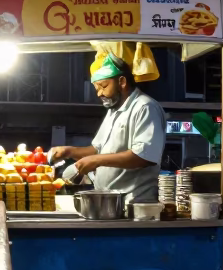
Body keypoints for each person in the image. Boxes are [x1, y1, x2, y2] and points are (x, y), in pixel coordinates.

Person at [50, 54, 166, 204]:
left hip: (133, 202)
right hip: (108, 201)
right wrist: (70, 151)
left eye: (104, 86)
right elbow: (98, 149)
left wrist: (97, 161)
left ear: (122, 82)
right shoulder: (113, 111)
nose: (99, 93)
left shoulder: (145, 107)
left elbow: (144, 157)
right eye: (97, 88)